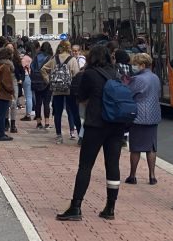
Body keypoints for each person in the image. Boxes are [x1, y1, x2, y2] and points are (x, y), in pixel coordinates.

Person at [56, 45, 126, 221]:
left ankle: (76, 206)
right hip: (116, 124)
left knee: (85, 166)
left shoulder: (90, 74)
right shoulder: (116, 73)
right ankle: (110, 207)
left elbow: (80, 96)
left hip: (96, 124)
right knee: (113, 165)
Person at [124, 53, 161, 185]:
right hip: (153, 115)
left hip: (139, 116)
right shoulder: (155, 77)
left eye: (135, 64)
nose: (134, 67)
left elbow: (128, 94)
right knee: (151, 147)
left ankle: (132, 175)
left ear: (142, 65)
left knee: (136, 148)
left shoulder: (137, 79)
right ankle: (152, 176)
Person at [41, 40, 80, 144]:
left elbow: (43, 69)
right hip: (69, 89)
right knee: (73, 112)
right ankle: (79, 135)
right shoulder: (72, 60)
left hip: (57, 89)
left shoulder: (54, 59)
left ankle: (59, 135)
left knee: (57, 112)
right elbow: (76, 75)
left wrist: (48, 81)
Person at [0, 47, 15, 141]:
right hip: (3, 93)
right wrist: (11, 90)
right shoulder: (5, 67)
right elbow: (6, 82)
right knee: (2, 115)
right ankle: (1, 134)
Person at [32, 42, 53, 129]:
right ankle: (47, 123)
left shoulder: (36, 57)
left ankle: (38, 123)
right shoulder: (50, 58)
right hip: (46, 82)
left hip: (36, 81)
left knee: (38, 103)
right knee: (46, 103)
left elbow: (32, 67)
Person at [20, 42, 34, 121]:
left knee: (28, 96)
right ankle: (29, 112)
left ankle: (28, 114)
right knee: (30, 96)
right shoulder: (32, 57)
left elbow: (21, 67)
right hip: (31, 76)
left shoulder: (25, 58)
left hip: (26, 76)